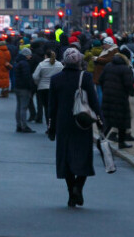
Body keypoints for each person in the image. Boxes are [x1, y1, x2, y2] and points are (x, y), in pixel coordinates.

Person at [48, 48, 102, 207]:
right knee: (83, 158)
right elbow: (93, 102)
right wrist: (100, 121)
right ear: (79, 61)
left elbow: (52, 107)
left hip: (63, 124)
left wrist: (51, 127)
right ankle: (79, 187)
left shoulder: (56, 79)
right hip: (82, 123)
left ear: (64, 61)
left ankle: (71, 192)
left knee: (66, 160)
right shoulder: (85, 77)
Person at [99, 53, 134, 149]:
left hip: (107, 97)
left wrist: (105, 91)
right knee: (122, 121)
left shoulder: (108, 66)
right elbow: (128, 84)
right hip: (121, 99)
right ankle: (121, 142)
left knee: (108, 121)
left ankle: (101, 139)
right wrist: (132, 93)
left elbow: (101, 79)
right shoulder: (125, 68)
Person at [32, 50, 63, 129]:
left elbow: (35, 76)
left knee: (46, 107)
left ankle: (49, 126)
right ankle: (56, 124)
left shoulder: (41, 65)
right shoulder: (59, 65)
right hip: (56, 88)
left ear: (45, 56)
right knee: (55, 107)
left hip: (43, 88)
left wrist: (38, 83)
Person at [14, 48, 35, 133]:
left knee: (18, 107)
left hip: (17, 87)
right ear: (26, 55)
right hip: (24, 88)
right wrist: (30, 87)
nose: (30, 56)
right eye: (29, 54)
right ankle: (24, 126)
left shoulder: (18, 62)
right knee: (23, 107)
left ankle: (18, 125)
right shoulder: (25, 64)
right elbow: (27, 77)